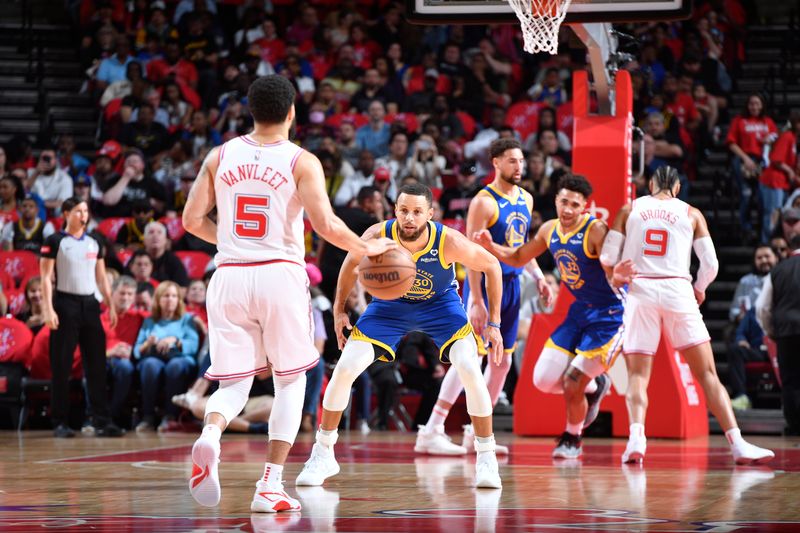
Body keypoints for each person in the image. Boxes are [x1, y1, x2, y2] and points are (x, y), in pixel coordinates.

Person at [181, 74, 395, 513]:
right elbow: (327, 225)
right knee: (291, 380)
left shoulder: (218, 156)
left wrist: (227, 242)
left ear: (250, 110)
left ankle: (210, 434)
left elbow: (189, 221)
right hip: (278, 274)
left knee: (235, 381)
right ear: (292, 111)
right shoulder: (301, 160)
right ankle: (270, 486)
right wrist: (368, 246)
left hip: (228, 275)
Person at [296, 182, 505, 489]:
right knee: (345, 368)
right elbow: (350, 264)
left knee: (469, 366)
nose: (409, 218)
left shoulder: (447, 240)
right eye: (404, 210)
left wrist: (495, 322)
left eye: (417, 212)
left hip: (440, 306)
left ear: (430, 214)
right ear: (395, 210)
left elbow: (492, 265)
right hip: (389, 308)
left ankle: (486, 457)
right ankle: (323, 452)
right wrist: (340, 311)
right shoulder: (378, 235)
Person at [601, 165, 774, 465]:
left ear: (650, 184)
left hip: (640, 291)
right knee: (707, 374)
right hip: (678, 290)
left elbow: (606, 256)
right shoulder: (691, 213)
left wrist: (616, 274)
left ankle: (636, 440)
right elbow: (711, 263)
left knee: (638, 376)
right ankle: (738, 444)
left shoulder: (629, 209)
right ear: (678, 188)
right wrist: (700, 287)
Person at [415, 138, 551, 456]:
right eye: (512, 161)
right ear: (496, 163)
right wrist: (475, 299)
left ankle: (477, 434)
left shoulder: (527, 199)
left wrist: (539, 276)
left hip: (513, 287)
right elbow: (470, 254)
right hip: (485, 288)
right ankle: (432, 429)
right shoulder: (483, 202)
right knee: (469, 358)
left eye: (522, 161)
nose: (520, 167)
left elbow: (521, 249)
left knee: (500, 363)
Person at [475, 173, 618, 459]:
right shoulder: (549, 230)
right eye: (563, 202)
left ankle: (572, 438)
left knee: (572, 381)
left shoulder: (596, 230)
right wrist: (492, 247)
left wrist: (620, 274)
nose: (567, 209)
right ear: (556, 200)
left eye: (575, 205)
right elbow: (518, 257)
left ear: (584, 208)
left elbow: (611, 269)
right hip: (579, 312)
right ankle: (596, 384)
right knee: (542, 380)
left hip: (609, 315)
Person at [40, 197, 124, 438]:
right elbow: (45, 277)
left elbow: (101, 276)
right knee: (62, 363)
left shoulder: (94, 241)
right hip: (65, 303)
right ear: (66, 213)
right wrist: (48, 309)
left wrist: (110, 302)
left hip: (90, 304)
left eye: (85, 211)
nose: (83, 215)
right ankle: (60, 421)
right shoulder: (55, 240)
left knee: (96, 364)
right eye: (78, 211)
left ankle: (101, 419)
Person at [134, 280, 200, 433]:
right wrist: (147, 344)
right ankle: (148, 417)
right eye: (166, 296)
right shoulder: (150, 321)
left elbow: (193, 346)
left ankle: (171, 416)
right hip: (155, 358)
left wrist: (176, 341)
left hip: (180, 359)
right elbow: (137, 351)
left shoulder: (186, 319)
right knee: (150, 365)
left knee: (175, 366)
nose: (170, 299)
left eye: (174, 296)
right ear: (158, 299)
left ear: (179, 299)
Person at [756, 235, 800, 435]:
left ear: (790, 248)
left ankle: (795, 426)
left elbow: (762, 307)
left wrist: (771, 331)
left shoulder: (777, 271)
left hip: (786, 332)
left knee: (790, 381)